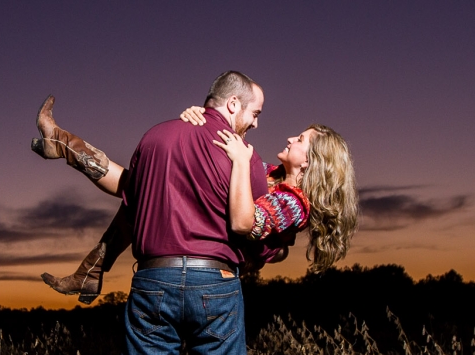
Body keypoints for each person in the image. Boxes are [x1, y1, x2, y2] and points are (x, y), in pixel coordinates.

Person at [29, 71, 356, 355]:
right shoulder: (251, 163)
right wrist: (222, 141)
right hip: (214, 284)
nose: (264, 126)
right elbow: (238, 218)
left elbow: (149, 192)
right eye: (255, 112)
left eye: (299, 139)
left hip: (154, 279)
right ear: (232, 106)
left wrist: (200, 125)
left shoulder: (167, 139)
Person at [32, 98, 357, 302]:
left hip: (220, 269)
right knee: (143, 185)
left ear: (310, 161)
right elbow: (227, 160)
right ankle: (60, 142)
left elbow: (247, 222)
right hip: (212, 238)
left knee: (140, 189)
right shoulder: (272, 173)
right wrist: (203, 120)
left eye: (300, 139)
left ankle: (61, 145)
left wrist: (237, 159)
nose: (290, 138)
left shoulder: (295, 204)